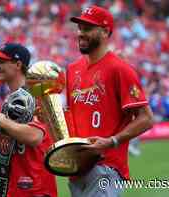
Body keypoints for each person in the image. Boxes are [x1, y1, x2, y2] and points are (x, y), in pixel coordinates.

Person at [66, 5, 154, 197]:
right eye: (80, 28)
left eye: (88, 28)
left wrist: (112, 141)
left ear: (105, 31)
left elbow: (147, 118)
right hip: (77, 168)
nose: (81, 33)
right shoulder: (72, 69)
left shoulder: (119, 69)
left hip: (105, 166)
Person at [0, 43, 57, 197]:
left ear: (18, 65)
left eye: (2, 62)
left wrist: (3, 122)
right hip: (12, 187)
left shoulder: (35, 96)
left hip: (32, 189)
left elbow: (34, 136)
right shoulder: (15, 97)